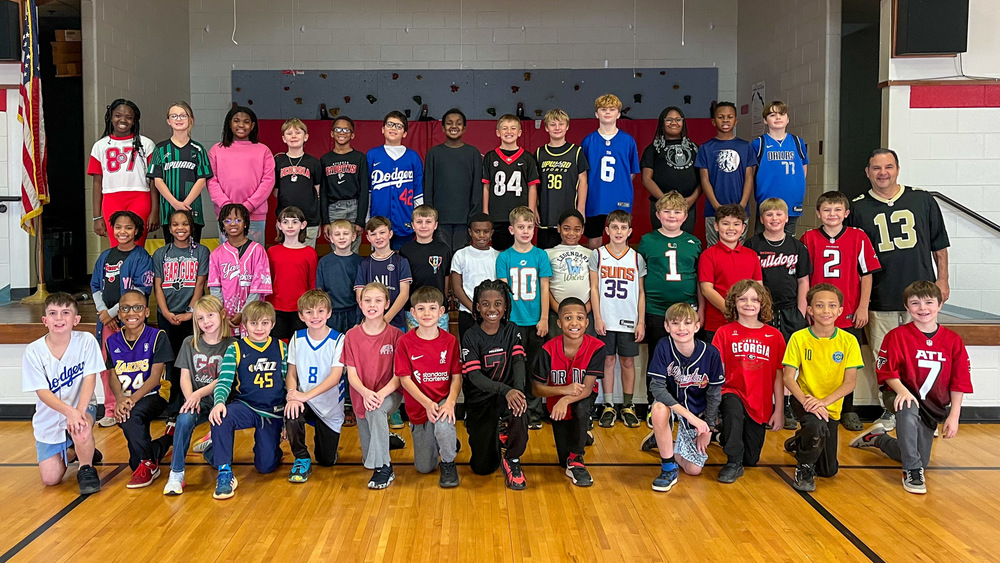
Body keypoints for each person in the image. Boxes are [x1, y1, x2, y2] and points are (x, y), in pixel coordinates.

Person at [847, 148, 951, 430]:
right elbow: (851, 253)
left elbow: (939, 244)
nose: (883, 173)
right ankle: (891, 409)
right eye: (876, 168)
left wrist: (943, 280)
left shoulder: (922, 199)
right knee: (885, 358)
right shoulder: (857, 207)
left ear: (897, 169)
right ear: (867, 172)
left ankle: (925, 410)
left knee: (923, 355)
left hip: (921, 296)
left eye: (888, 167)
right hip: (881, 294)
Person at [850, 281, 971, 494]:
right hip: (898, 394)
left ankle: (878, 439)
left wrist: (954, 416)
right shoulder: (897, 336)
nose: (922, 308)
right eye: (915, 303)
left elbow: (959, 381)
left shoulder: (953, 341)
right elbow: (887, 372)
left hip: (932, 404)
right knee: (907, 406)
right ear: (907, 307)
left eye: (928, 303)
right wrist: (903, 390)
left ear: (940, 305)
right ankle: (911, 472)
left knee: (921, 457)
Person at [801, 191, 880, 431]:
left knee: (847, 364)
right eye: (826, 210)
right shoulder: (809, 237)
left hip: (847, 312)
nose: (832, 214)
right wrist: (806, 305)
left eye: (837, 210)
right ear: (818, 213)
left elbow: (867, 274)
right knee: (817, 362)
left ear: (846, 213)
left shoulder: (858, 237)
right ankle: (814, 405)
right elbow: (803, 276)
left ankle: (848, 409)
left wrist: (863, 306)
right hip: (818, 311)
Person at [22, 293, 105, 495]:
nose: (59, 318)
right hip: (51, 415)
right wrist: (69, 412)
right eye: (53, 313)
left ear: (76, 320)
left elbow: (90, 379)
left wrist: (78, 412)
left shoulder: (86, 341)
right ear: (45, 320)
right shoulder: (33, 351)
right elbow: (42, 392)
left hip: (82, 405)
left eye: (65, 313)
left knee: (81, 427)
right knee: (50, 479)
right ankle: (76, 449)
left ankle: (86, 467)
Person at [782, 284, 862, 492]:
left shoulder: (849, 341)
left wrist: (824, 402)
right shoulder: (799, 338)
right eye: (819, 305)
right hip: (803, 400)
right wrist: (809, 401)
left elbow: (850, 382)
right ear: (810, 310)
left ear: (840, 311)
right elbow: (788, 378)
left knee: (828, 470)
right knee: (815, 425)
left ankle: (800, 441)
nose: (826, 311)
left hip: (830, 406)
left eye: (831, 306)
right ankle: (804, 467)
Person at [207, 300, 286, 500]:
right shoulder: (236, 348)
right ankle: (224, 472)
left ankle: (265, 447)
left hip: (272, 411)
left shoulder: (282, 347)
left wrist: (286, 420)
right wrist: (218, 403)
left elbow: (288, 384)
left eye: (265, 323)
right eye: (254, 323)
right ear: (245, 325)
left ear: (273, 324)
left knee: (265, 467)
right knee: (221, 417)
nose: (259, 328)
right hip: (246, 406)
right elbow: (224, 381)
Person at [638, 191, 704, 425]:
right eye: (667, 211)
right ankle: (653, 404)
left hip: (686, 312)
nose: (672, 216)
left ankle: (682, 405)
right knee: (658, 357)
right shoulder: (647, 241)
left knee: (685, 359)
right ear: (658, 215)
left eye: (677, 212)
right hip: (656, 309)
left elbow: (699, 281)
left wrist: (700, 312)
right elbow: (641, 279)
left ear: (685, 216)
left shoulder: (693, 242)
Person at [642, 303, 722, 491]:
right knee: (659, 408)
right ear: (667, 327)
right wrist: (690, 417)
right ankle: (668, 468)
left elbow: (714, 394)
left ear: (697, 326)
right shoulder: (663, 346)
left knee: (694, 469)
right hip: (674, 408)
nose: (681, 328)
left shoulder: (710, 353)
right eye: (675, 323)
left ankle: (664, 441)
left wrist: (708, 428)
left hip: (699, 412)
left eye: (687, 323)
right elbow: (658, 389)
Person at [712, 280, 785, 484]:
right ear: (733, 303)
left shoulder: (774, 336)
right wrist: (714, 405)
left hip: (759, 400)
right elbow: (719, 372)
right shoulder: (724, 333)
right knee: (733, 412)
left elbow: (779, 377)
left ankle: (721, 438)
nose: (748, 304)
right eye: (742, 299)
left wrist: (778, 410)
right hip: (732, 391)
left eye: (754, 299)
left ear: (762, 304)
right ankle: (733, 463)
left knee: (751, 459)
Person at [461, 279, 530, 489]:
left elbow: (518, 362)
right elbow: (474, 377)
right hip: (480, 400)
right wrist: (506, 390)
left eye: (498, 303)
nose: (492, 309)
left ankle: (512, 458)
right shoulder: (471, 335)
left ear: (506, 306)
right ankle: (495, 432)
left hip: (505, 396)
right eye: (486, 304)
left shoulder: (512, 330)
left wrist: (516, 392)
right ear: (477, 307)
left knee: (519, 406)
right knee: (482, 467)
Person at [163, 295, 235, 495]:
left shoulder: (232, 345)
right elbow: (184, 376)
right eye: (200, 318)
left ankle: (213, 450)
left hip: (222, 402)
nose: (206, 322)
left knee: (218, 451)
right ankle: (176, 474)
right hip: (196, 400)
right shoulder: (189, 343)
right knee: (184, 419)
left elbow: (224, 378)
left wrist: (197, 394)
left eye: (210, 316)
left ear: (221, 315)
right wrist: (190, 399)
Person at [90, 210, 154, 427]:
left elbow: (141, 289)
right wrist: (103, 313)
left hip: (131, 322)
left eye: (128, 227)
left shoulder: (142, 257)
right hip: (107, 322)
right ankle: (111, 409)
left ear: (136, 230)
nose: (122, 231)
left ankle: (134, 406)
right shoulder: (105, 256)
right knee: (109, 366)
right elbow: (96, 286)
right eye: (118, 227)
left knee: (134, 364)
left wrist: (115, 312)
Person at [532, 297, 605, 487]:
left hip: (582, 398)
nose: (574, 323)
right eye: (568, 318)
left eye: (580, 318)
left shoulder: (597, 347)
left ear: (587, 322)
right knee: (561, 459)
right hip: (555, 402)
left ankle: (577, 460)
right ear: (559, 322)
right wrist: (563, 392)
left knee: (580, 409)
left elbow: (587, 388)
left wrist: (565, 400)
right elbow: (536, 389)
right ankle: (581, 436)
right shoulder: (547, 349)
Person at [105, 290, 175, 488]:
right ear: (118, 314)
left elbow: (154, 378)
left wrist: (130, 401)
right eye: (125, 308)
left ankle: (149, 465)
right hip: (128, 399)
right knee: (133, 464)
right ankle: (165, 442)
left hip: (155, 394)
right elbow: (113, 375)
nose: (131, 313)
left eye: (137, 308)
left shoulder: (157, 336)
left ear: (146, 312)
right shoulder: (112, 342)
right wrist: (119, 399)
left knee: (131, 416)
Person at [395, 286, 463, 487]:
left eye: (432, 308)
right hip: (419, 405)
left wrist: (450, 402)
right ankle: (446, 441)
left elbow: (456, 376)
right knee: (424, 467)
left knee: (443, 424)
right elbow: (405, 379)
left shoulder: (450, 341)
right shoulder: (405, 342)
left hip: (442, 400)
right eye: (421, 309)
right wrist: (426, 403)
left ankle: (449, 462)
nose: (427, 314)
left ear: (441, 312)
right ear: (413, 313)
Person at [343, 282, 405, 490]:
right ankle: (385, 437)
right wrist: (366, 393)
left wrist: (379, 394)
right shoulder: (351, 335)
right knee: (367, 456)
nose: (372, 305)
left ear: (387, 304)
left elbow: (399, 375)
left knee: (376, 412)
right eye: (367, 300)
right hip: (362, 394)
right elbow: (351, 374)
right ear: (360, 304)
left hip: (389, 393)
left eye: (378, 300)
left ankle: (385, 468)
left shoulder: (396, 335)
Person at [496, 206, 552, 430]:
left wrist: (545, 318)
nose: (526, 231)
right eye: (521, 227)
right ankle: (514, 411)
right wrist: (505, 322)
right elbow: (502, 292)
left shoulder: (540, 255)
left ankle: (534, 411)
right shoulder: (504, 257)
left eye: (529, 227)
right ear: (512, 229)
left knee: (534, 368)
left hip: (536, 321)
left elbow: (545, 288)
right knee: (513, 367)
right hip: (513, 322)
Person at [589, 210, 646, 429]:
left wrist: (640, 321)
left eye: (623, 228)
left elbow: (641, 292)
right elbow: (594, 288)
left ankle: (629, 405)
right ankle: (609, 405)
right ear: (607, 230)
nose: (619, 231)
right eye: (614, 227)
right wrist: (597, 316)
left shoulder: (636, 257)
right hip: (606, 317)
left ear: (630, 231)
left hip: (628, 317)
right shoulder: (599, 254)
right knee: (608, 360)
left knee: (628, 361)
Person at [152, 209, 209, 425]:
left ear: (191, 226)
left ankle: (193, 403)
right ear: (169, 228)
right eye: (175, 224)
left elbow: (200, 284)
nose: (180, 228)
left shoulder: (201, 252)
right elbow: (157, 286)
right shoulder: (161, 254)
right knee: (172, 362)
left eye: (184, 224)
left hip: (192, 316)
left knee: (191, 361)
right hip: (167, 315)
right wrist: (166, 312)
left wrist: (190, 313)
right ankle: (174, 407)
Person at [284, 290, 348, 483]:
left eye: (320, 311)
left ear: (329, 313)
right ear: (301, 315)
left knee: (326, 460)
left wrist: (304, 396)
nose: (315, 316)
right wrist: (292, 394)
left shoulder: (339, 339)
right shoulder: (297, 337)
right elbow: (291, 373)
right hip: (306, 403)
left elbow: (335, 377)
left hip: (329, 408)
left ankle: (326, 446)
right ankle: (301, 457)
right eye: (309, 312)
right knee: (292, 412)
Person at [89, 99, 158, 247]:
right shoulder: (100, 146)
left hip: (140, 197)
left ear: (134, 121)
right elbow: (97, 183)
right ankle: (120, 271)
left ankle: (138, 271)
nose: (123, 120)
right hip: (111, 199)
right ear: (110, 117)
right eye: (118, 115)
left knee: (137, 245)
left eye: (128, 117)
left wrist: (155, 211)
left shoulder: (146, 144)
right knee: (116, 246)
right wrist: (96, 217)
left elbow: (154, 182)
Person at [207, 106, 275, 245]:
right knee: (228, 260)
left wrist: (248, 206)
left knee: (254, 258)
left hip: (255, 215)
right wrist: (227, 206)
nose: (241, 125)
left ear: (253, 125)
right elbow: (211, 181)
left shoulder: (263, 150)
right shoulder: (216, 150)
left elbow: (268, 181)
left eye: (246, 121)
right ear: (229, 123)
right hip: (226, 215)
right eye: (236, 121)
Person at [580, 94, 640, 249]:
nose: (607, 112)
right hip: (595, 198)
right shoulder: (588, 141)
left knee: (620, 238)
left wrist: (619, 184)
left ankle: (619, 272)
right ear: (596, 113)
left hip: (620, 197)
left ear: (618, 114)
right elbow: (583, 173)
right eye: (603, 109)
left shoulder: (627, 140)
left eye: (612, 109)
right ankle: (595, 272)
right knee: (594, 240)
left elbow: (632, 172)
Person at [147, 101, 212, 243]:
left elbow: (202, 179)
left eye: (183, 115)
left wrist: (185, 204)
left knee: (193, 254)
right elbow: (157, 180)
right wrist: (175, 203)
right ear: (168, 121)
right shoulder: (160, 149)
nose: (179, 119)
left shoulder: (198, 149)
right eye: (174, 116)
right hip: (168, 211)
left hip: (192, 211)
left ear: (191, 119)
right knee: (171, 253)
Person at [694, 102, 758, 247]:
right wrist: (716, 205)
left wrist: (741, 205)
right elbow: (704, 179)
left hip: (740, 209)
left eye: (729, 117)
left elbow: (749, 177)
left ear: (736, 120)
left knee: (737, 248)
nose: (725, 120)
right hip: (713, 210)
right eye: (721, 117)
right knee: (714, 249)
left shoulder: (745, 146)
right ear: (713, 121)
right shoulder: (706, 148)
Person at [698, 204, 762, 343]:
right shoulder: (708, 255)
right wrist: (732, 311)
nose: (731, 228)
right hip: (716, 324)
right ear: (716, 226)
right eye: (725, 224)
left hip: (747, 321)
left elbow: (758, 288)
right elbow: (706, 289)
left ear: (743, 228)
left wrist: (745, 313)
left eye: (736, 224)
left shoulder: (751, 255)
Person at [208, 203, 272, 338]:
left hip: (253, 316)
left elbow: (258, 287)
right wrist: (222, 313)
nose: (233, 224)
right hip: (226, 318)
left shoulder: (258, 250)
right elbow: (215, 288)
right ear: (222, 225)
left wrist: (244, 312)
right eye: (227, 220)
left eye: (238, 220)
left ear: (245, 224)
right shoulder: (216, 254)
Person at [423, 108, 483, 250]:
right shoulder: (434, 153)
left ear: (464, 128)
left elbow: (477, 188)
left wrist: (473, 216)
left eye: (458, 123)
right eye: (449, 123)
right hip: (440, 219)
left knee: (461, 260)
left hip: (465, 219)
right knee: (441, 258)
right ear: (443, 128)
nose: (454, 126)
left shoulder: (473, 153)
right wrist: (431, 216)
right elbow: (428, 187)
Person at [367, 111, 424, 249]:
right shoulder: (372, 155)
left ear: (404, 133)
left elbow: (418, 191)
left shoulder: (413, 157)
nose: (393, 128)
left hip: (405, 219)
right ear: (382, 129)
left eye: (398, 126)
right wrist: (367, 218)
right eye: (390, 124)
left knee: (404, 261)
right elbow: (367, 190)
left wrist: (418, 219)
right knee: (380, 260)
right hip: (378, 220)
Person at [483, 114, 540, 251]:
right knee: (500, 252)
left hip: (520, 215)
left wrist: (531, 212)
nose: (509, 132)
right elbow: (486, 186)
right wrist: (485, 211)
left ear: (519, 132)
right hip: (497, 214)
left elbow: (532, 187)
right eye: (505, 128)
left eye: (513, 128)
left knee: (521, 250)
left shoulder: (527, 158)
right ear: (498, 132)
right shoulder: (490, 157)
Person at [751, 101, 809, 236]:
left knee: (788, 242)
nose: (778, 117)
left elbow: (803, 170)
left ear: (787, 119)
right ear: (765, 120)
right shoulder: (759, 143)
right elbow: (751, 173)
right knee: (762, 241)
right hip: (767, 202)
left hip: (792, 201)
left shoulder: (797, 142)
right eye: (772, 114)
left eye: (782, 114)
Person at [535, 109, 589, 250]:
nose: (557, 128)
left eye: (561, 124)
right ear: (546, 128)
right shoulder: (540, 153)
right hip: (546, 213)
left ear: (567, 126)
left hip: (568, 211)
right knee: (545, 256)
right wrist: (534, 207)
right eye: (553, 124)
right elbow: (533, 184)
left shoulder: (576, 152)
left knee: (567, 254)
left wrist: (581, 209)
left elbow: (583, 181)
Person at [641, 107, 700, 234]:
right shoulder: (653, 149)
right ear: (662, 122)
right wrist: (666, 202)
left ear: (683, 123)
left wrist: (691, 200)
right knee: (661, 242)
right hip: (661, 205)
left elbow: (704, 179)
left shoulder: (694, 148)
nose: (674, 122)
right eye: (669, 119)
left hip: (687, 205)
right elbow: (646, 179)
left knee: (685, 243)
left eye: (678, 119)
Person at [267, 206, 318, 341]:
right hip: (277, 308)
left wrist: (311, 307)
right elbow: (268, 281)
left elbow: (312, 282)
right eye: (285, 222)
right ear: (279, 225)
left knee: (300, 345)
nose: (290, 226)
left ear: (303, 225)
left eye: (294, 222)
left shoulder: (309, 252)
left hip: (301, 309)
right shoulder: (272, 252)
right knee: (278, 346)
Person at [320, 116, 369, 254]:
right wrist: (325, 221)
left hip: (354, 208)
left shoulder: (359, 157)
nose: (342, 132)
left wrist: (360, 220)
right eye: (338, 129)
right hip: (333, 209)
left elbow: (364, 189)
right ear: (332, 133)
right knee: (338, 252)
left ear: (352, 134)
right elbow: (323, 192)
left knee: (353, 253)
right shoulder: (325, 159)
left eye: (346, 130)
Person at [354, 216, 412, 332]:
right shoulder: (364, 264)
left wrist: (385, 319)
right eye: (373, 234)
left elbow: (404, 294)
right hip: (370, 322)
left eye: (382, 232)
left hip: (395, 322)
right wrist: (372, 318)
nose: (378, 237)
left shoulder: (401, 262)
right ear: (368, 238)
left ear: (390, 234)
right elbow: (360, 295)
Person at [401, 205, 452, 331]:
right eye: (419, 222)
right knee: (415, 346)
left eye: (428, 222)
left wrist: (443, 300)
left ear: (435, 225)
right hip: (413, 309)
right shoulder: (405, 250)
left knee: (439, 344)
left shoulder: (444, 249)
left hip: (438, 308)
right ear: (413, 225)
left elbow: (446, 277)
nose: (423, 226)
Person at [273, 118, 323, 247]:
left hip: (309, 219)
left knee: (307, 254)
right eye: (289, 133)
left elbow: (317, 192)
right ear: (284, 138)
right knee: (286, 255)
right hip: (285, 219)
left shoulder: (314, 163)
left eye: (298, 132)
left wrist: (318, 220)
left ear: (305, 137)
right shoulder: (278, 162)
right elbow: (276, 191)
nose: (293, 136)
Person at [451, 214, 499, 341]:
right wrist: (474, 309)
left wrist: (488, 309)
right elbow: (457, 288)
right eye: (477, 231)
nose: (482, 235)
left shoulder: (498, 256)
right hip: (467, 312)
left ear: (492, 233)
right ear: (470, 232)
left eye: (486, 231)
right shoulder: (461, 255)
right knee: (469, 352)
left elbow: (500, 287)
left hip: (492, 313)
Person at [545, 209, 593, 338]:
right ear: (559, 228)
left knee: (585, 353)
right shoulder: (548, 254)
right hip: (556, 312)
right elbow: (545, 286)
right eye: (566, 228)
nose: (571, 233)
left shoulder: (591, 254)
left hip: (585, 313)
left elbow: (595, 285)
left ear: (582, 230)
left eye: (577, 229)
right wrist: (559, 309)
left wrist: (585, 310)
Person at [317, 219, 363, 335]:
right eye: (337, 234)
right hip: (331, 314)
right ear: (331, 238)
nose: (341, 237)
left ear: (353, 237)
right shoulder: (324, 262)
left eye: (345, 234)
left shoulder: (360, 262)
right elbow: (320, 292)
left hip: (353, 313)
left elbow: (363, 294)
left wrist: (359, 319)